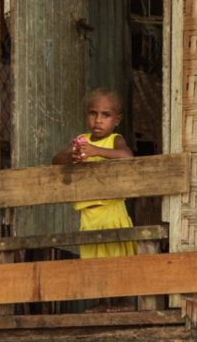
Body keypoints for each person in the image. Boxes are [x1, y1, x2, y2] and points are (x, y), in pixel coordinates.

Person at [52, 87, 136, 312]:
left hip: (111, 210)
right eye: (93, 113)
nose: (98, 120)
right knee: (94, 260)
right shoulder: (81, 141)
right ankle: (103, 301)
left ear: (116, 120)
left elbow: (127, 157)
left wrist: (95, 151)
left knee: (117, 257)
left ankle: (125, 302)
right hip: (89, 213)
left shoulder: (115, 140)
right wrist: (72, 155)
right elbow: (56, 159)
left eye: (106, 115)